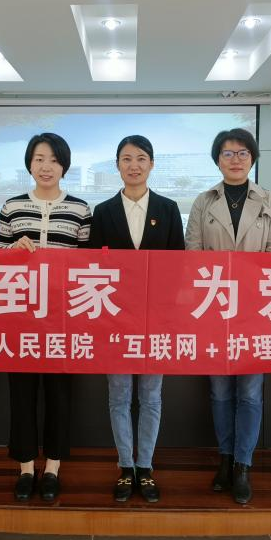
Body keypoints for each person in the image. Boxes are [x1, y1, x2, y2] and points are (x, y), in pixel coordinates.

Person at [185, 128, 271, 504]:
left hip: (255, 311)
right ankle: (225, 460)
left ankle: (243, 464)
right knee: (219, 391)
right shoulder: (203, 201)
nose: (235, 159)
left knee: (249, 392)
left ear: (253, 158)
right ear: (217, 160)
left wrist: (245, 285)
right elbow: (192, 254)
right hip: (214, 309)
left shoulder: (270, 201)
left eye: (243, 153)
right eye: (227, 153)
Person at [88, 135, 185, 503]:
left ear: (152, 164)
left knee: (151, 397)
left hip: (155, 320)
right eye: (126, 159)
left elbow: (178, 268)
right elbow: (93, 269)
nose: (134, 165)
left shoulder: (169, 208)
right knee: (119, 396)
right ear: (117, 165)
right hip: (115, 321)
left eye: (141, 158)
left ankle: (145, 467)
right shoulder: (103, 211)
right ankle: (125, 467)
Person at [0, 132, 92, 502]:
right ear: (29, 164)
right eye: (39, 159)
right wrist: (11, 250)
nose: (46, 166)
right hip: (20, 318)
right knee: (21, 395)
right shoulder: (12, 206)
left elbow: (89, 266)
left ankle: (52, 467)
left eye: (53, 159)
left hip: (63, 320)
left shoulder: (81, 209)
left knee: (59, 395)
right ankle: (25, 468)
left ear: (64, 165)